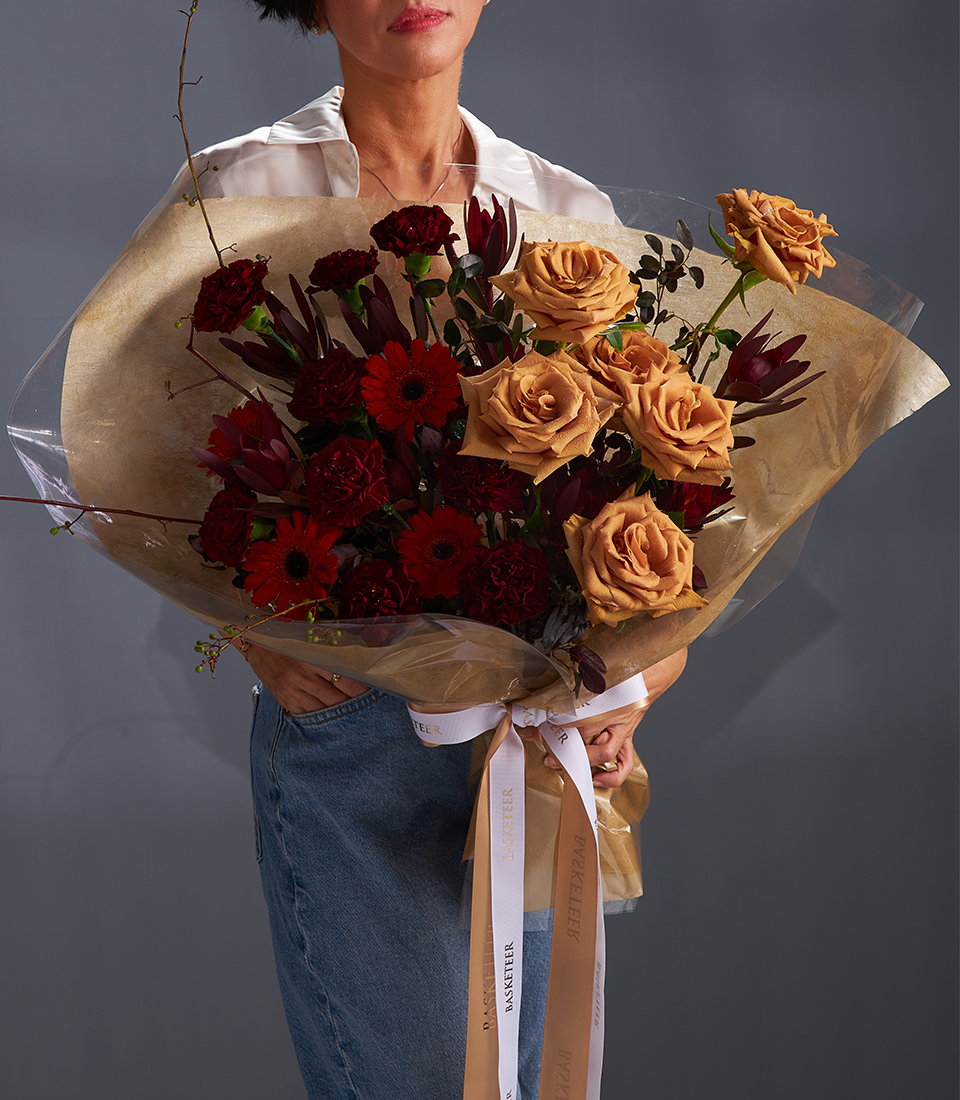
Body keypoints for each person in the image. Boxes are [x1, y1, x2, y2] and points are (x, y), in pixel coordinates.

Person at [167, 2, 688, 1096]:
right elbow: (152, 461)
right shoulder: (240, 191)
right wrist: (256, 630)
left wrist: (636, 675)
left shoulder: (563, 212)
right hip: (357, 723)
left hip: (534, 733)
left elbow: (654, 492)